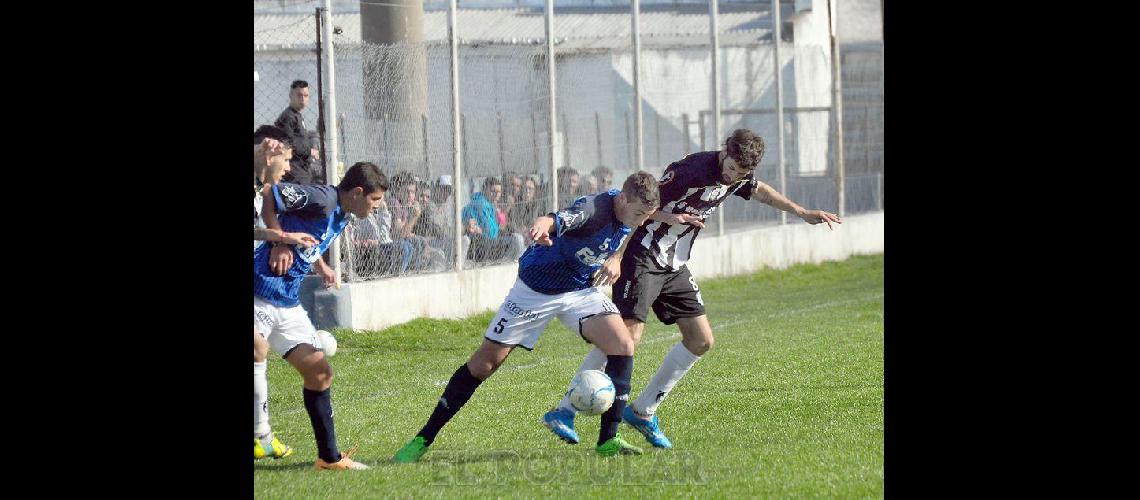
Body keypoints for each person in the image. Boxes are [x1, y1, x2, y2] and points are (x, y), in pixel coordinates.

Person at [542, 129, 842, 449]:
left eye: (741, 173)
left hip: (674, 265)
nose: (733, 177)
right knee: (625, 339)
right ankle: (564, 410)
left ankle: (643, 412)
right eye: (731, 169)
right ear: (724, 151)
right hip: (642, 256)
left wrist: (802, 213)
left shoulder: (738, 177)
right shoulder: (691, 171)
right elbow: (641, 207)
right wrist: (618, 254)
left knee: (701, 340)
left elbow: (761, 191)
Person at [392, 172, 661, 463]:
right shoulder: (592, 210)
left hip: (579, 290)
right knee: (484, 364)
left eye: (647, 215)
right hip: (535, 290)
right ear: (622, 199)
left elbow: (626, 231)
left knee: (623, 345)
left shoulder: (630, 212)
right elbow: (556, 219)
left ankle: (608, 440)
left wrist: (616, 257)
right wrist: (542, 227)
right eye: (639, 214)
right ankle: (423, 438)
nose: (642, 221)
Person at [255, 161, 390, 470]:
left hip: (287, 303)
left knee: (320, 374)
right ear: (358, 192)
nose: (377, 207)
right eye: (375, 200)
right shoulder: (323, 199)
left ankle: (328, 459)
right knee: (256, 349)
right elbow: (270, 194)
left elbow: (309, 240)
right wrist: (278, 240)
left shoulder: (341, 213)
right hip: (258, 291)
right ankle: (260, 433)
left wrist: (322, 266)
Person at [252, 132, 318, 460]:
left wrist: (283, 237)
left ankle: (262, 435)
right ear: (269, 154)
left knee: (257, 348)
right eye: (286, 159)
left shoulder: (260, 191)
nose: (289, 168)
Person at [462, 176, 524, 262]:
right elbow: (489, 231)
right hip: (481, 245)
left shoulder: (488, 206)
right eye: (493, 191)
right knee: (516, 240)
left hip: (486, 243)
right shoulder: (480, 205)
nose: (497, 195)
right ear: (484, 190)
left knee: (516, 239)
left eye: (499, 192)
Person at [274, 80, 321, 184]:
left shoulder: (296, 115)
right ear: (291, 95)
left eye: (306, 95)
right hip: (293, 173)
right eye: (299, 95)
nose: (303, 99)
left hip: (301, 169)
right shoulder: (288, 117)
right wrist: (309, 151)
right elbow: (287, 144)